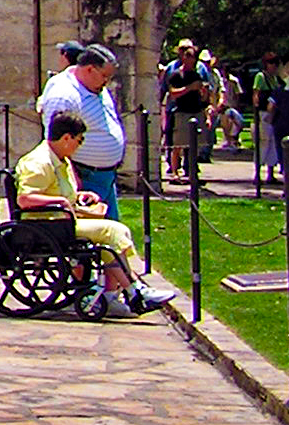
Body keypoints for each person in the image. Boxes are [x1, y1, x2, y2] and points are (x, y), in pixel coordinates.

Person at [16, 110, 178, 318]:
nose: (79, 146)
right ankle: (134, 290)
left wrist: (80, 196)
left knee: (110, 236)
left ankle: (120, 293)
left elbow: (60, 191)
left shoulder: (60, 160)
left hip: (62, 220)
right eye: (79, 140)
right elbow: (25, 199)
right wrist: (61, 201)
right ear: (67, 138)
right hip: (47, 225)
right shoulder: (40, 162)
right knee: (113, 230)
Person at [37, 41, 126, 220]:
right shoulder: (64, 95)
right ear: (89, 69)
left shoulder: (96, 87)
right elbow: (56, 142)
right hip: (84, 175)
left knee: (112, 230)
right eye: (104, 76)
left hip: (105, 175)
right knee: (97, 233)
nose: (106, 82)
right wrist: (71, 177)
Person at [160, 39, 212, 178]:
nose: (192, 60)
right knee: (178, 144)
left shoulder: (198, 73)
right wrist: (189, 88)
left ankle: (192, 171)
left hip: (196, 110)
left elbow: (204, 97)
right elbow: (172, 93)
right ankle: (175, 171)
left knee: (195, 144)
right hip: (181, 111)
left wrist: (204, 93)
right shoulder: (175, 73)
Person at [260, 52, 289, 185]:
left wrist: (270, 118)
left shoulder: (279, 91)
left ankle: (288, 186)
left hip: (281, 126)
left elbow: (270, 107)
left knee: (284, 156)